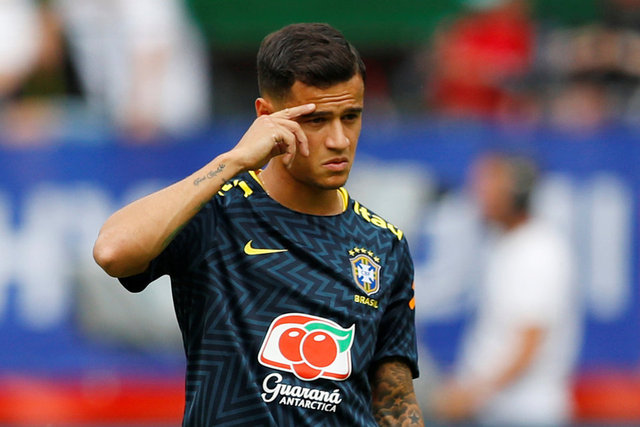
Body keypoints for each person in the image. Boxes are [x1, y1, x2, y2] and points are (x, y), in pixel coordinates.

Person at [93, 23, 423, 426]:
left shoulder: (384, 244)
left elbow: (394, 401)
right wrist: (233, 161)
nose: (339, 139)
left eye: (351, 116)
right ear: (267, 117)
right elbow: (112, 252)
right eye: (317, 120)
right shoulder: (217, 213)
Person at [432, 153, 579, 425]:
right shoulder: (505, 243)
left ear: (515, 193)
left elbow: (529, 342)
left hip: (524, 413)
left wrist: (472, 394)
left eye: (487, 186)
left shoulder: (537, 251)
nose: (477, 196)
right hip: (499, 411)